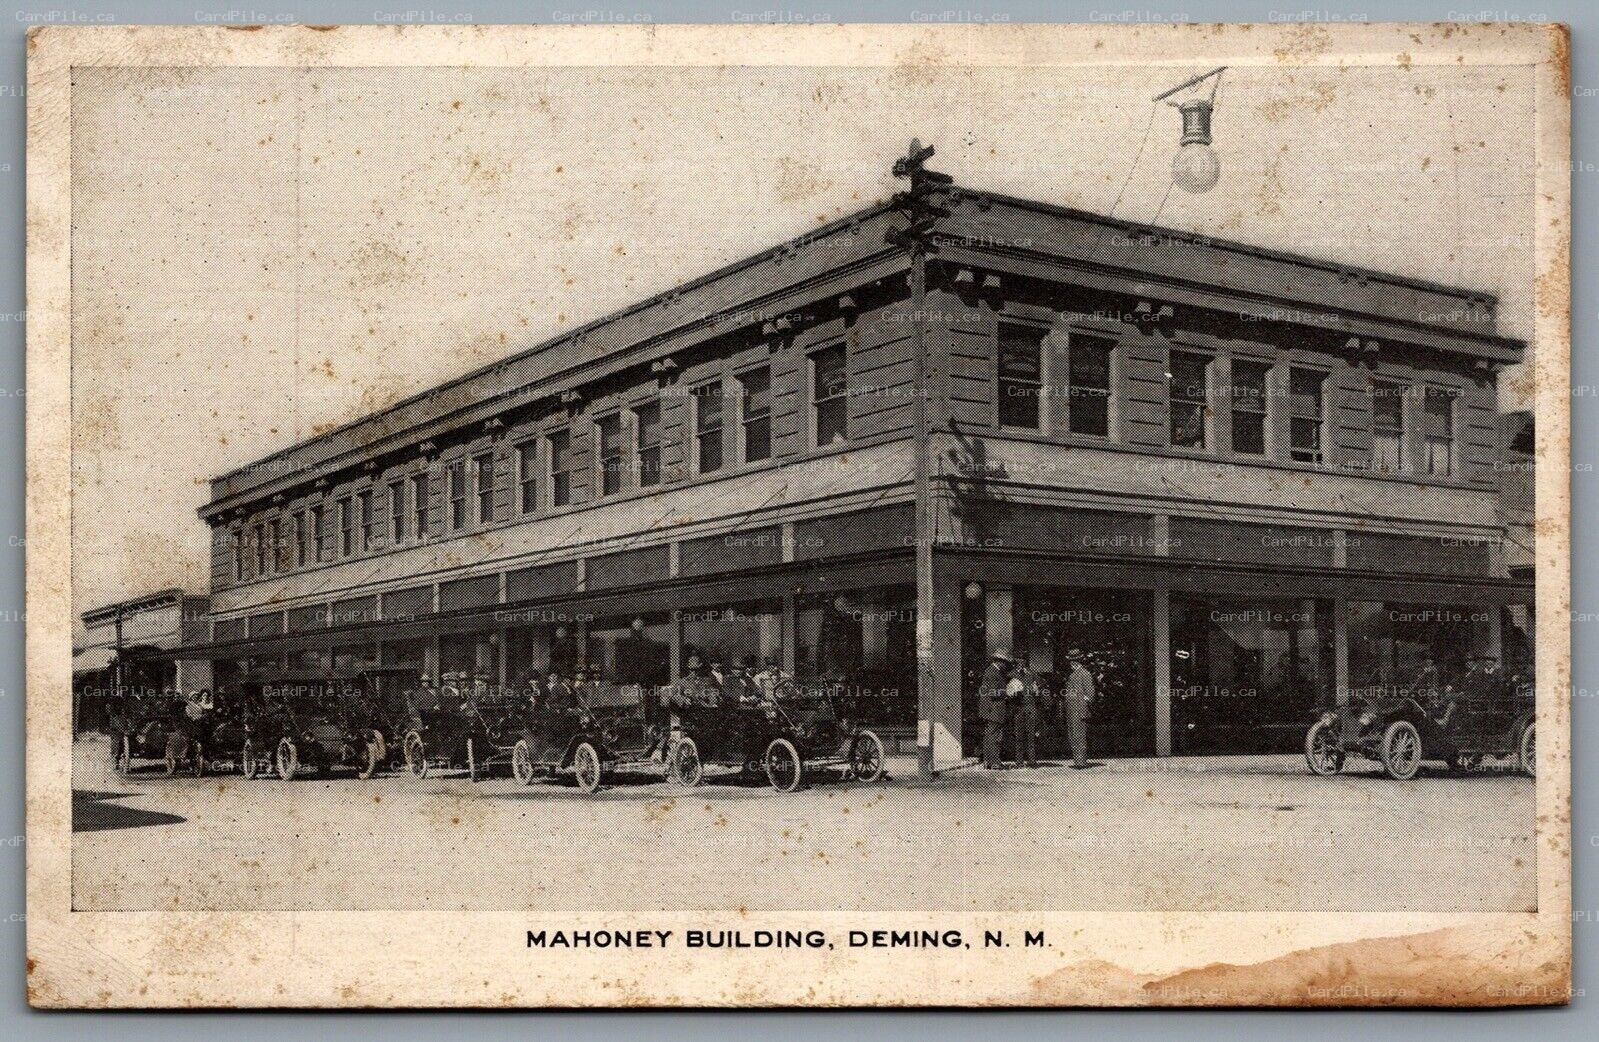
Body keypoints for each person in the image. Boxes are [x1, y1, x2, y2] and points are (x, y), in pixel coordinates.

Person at [977, 650, 1012, 769]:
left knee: (989, 735)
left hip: (991, 709)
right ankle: (995, 762)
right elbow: (993, 692)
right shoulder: (993, 673)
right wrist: (1007, 692)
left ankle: (988, 761)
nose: (1006, 665)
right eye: (1005, 662)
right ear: (999, 661)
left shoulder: (993, 671)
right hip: (994, 709)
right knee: (995, 736)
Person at [1061, 649, 1095, 769]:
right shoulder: (1073, 674)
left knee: (1079, 735)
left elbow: (1090, 694)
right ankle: (1078, 761)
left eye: (1072, 661)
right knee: (1073, 735)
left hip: (1079, 710)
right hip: (1072, 710)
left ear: (1076, 662)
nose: (1071, 663)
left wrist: (1082, 704)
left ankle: (1081, 761)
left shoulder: (1085, 674)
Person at [1010, 654, 1041, 769]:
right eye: (1018, 663)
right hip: (1018, 708)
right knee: (1019, 736)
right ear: (1015, 664)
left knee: (1031, 735)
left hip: (1030, 707)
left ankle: (1032, 761)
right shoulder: (1011, 675)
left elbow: (1041, 685)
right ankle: (1019, 762)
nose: (1020, 665)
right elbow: (1007, 691)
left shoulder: (1032, 674)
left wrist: (1037, 689)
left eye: (1022, 663)